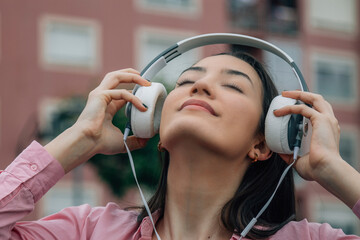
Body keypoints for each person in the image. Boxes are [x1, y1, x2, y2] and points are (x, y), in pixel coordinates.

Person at [1, 51, 360, 240]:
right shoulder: (88, 231)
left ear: (264, 142)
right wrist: (81, 138)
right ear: (152, 123)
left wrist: (332, 168)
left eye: (233, 86)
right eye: (187, 81)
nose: (198, 88)